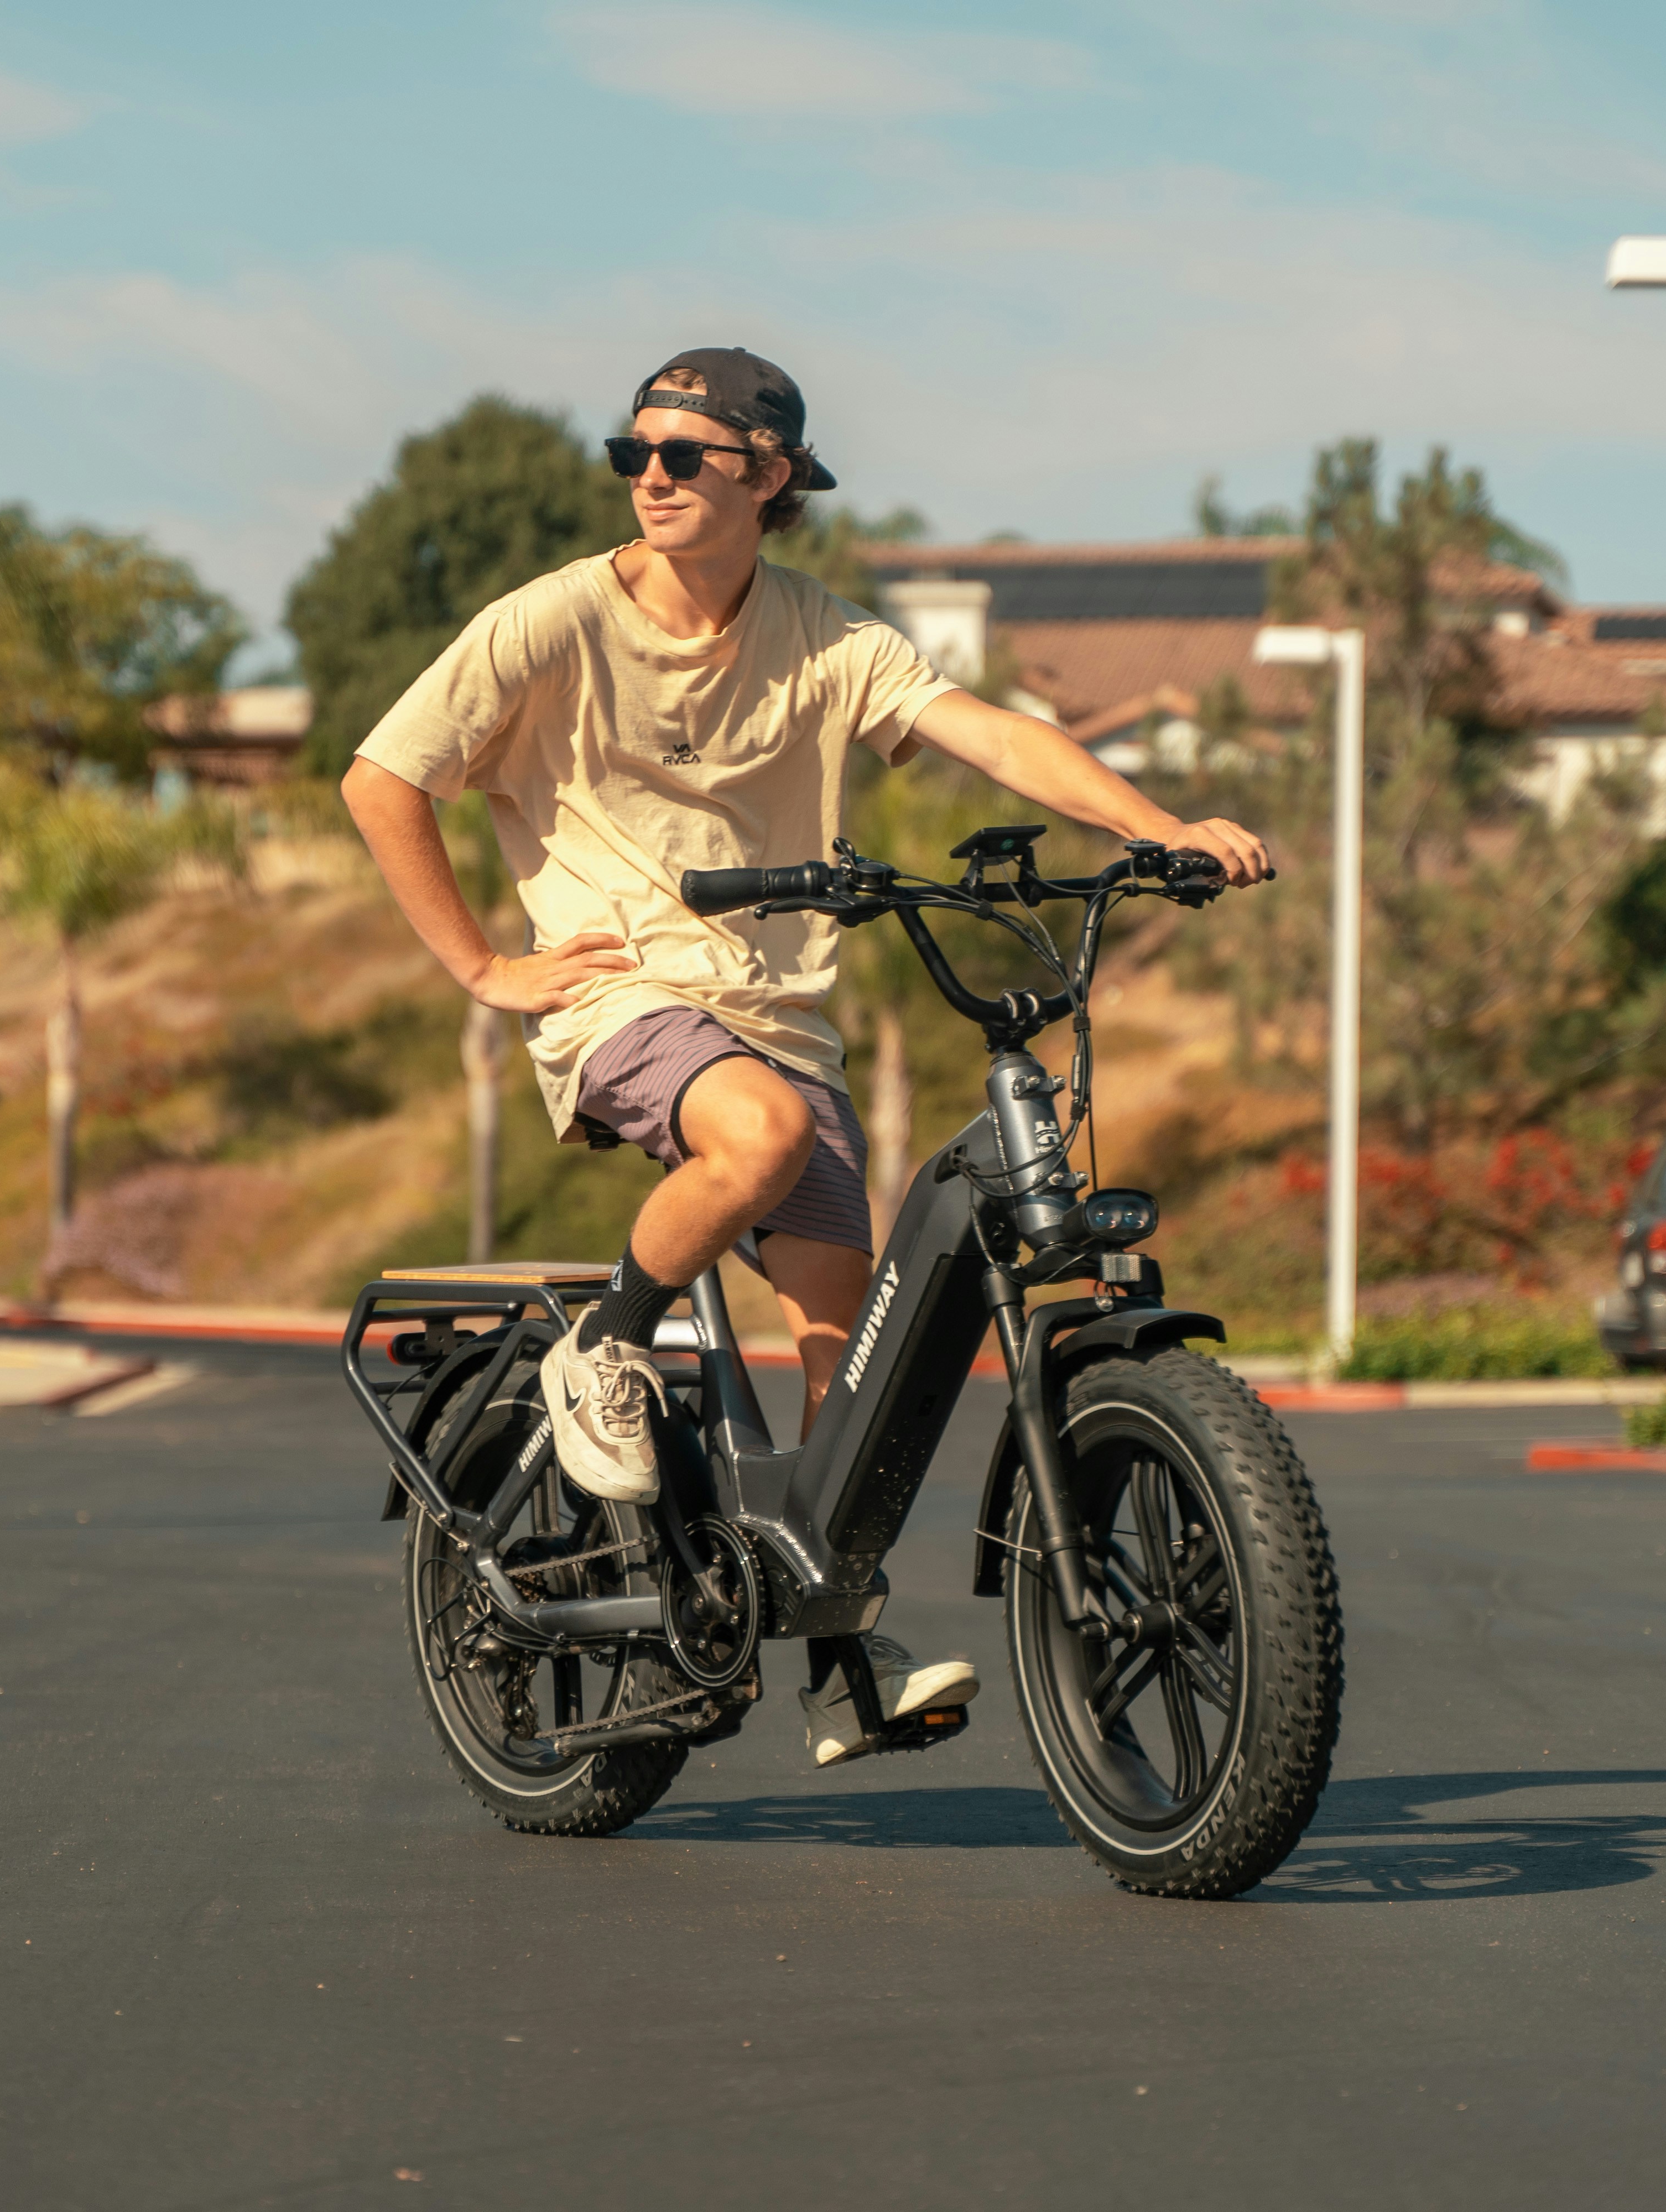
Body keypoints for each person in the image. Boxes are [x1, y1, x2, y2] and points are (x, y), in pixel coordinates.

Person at [342, 346, 1267, 1759]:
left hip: (777, 1013)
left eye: (686, 455)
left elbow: (988, 732)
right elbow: (382, 775)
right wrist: (486, 966)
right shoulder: (552, 622)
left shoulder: (824, 636)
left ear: (770, 478)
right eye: (635, 452)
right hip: (621, 993)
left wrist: (1157, 829)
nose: (650, 475)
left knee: (858, 1380)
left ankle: (836, 1652)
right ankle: (603, 1349)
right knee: (758, 1136)